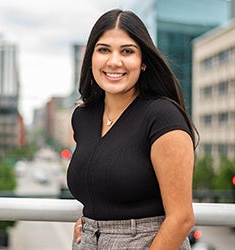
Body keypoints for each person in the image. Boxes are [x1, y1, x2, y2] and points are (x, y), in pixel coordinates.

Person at [66, 9, 198, 250]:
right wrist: (94, 223)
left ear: (144, 61)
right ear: (91, 58)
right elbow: (101, 186)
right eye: (104, 50)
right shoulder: (83, 117)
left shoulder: (162, 117)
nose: (114, 61)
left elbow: (181, 218)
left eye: (127, 51)